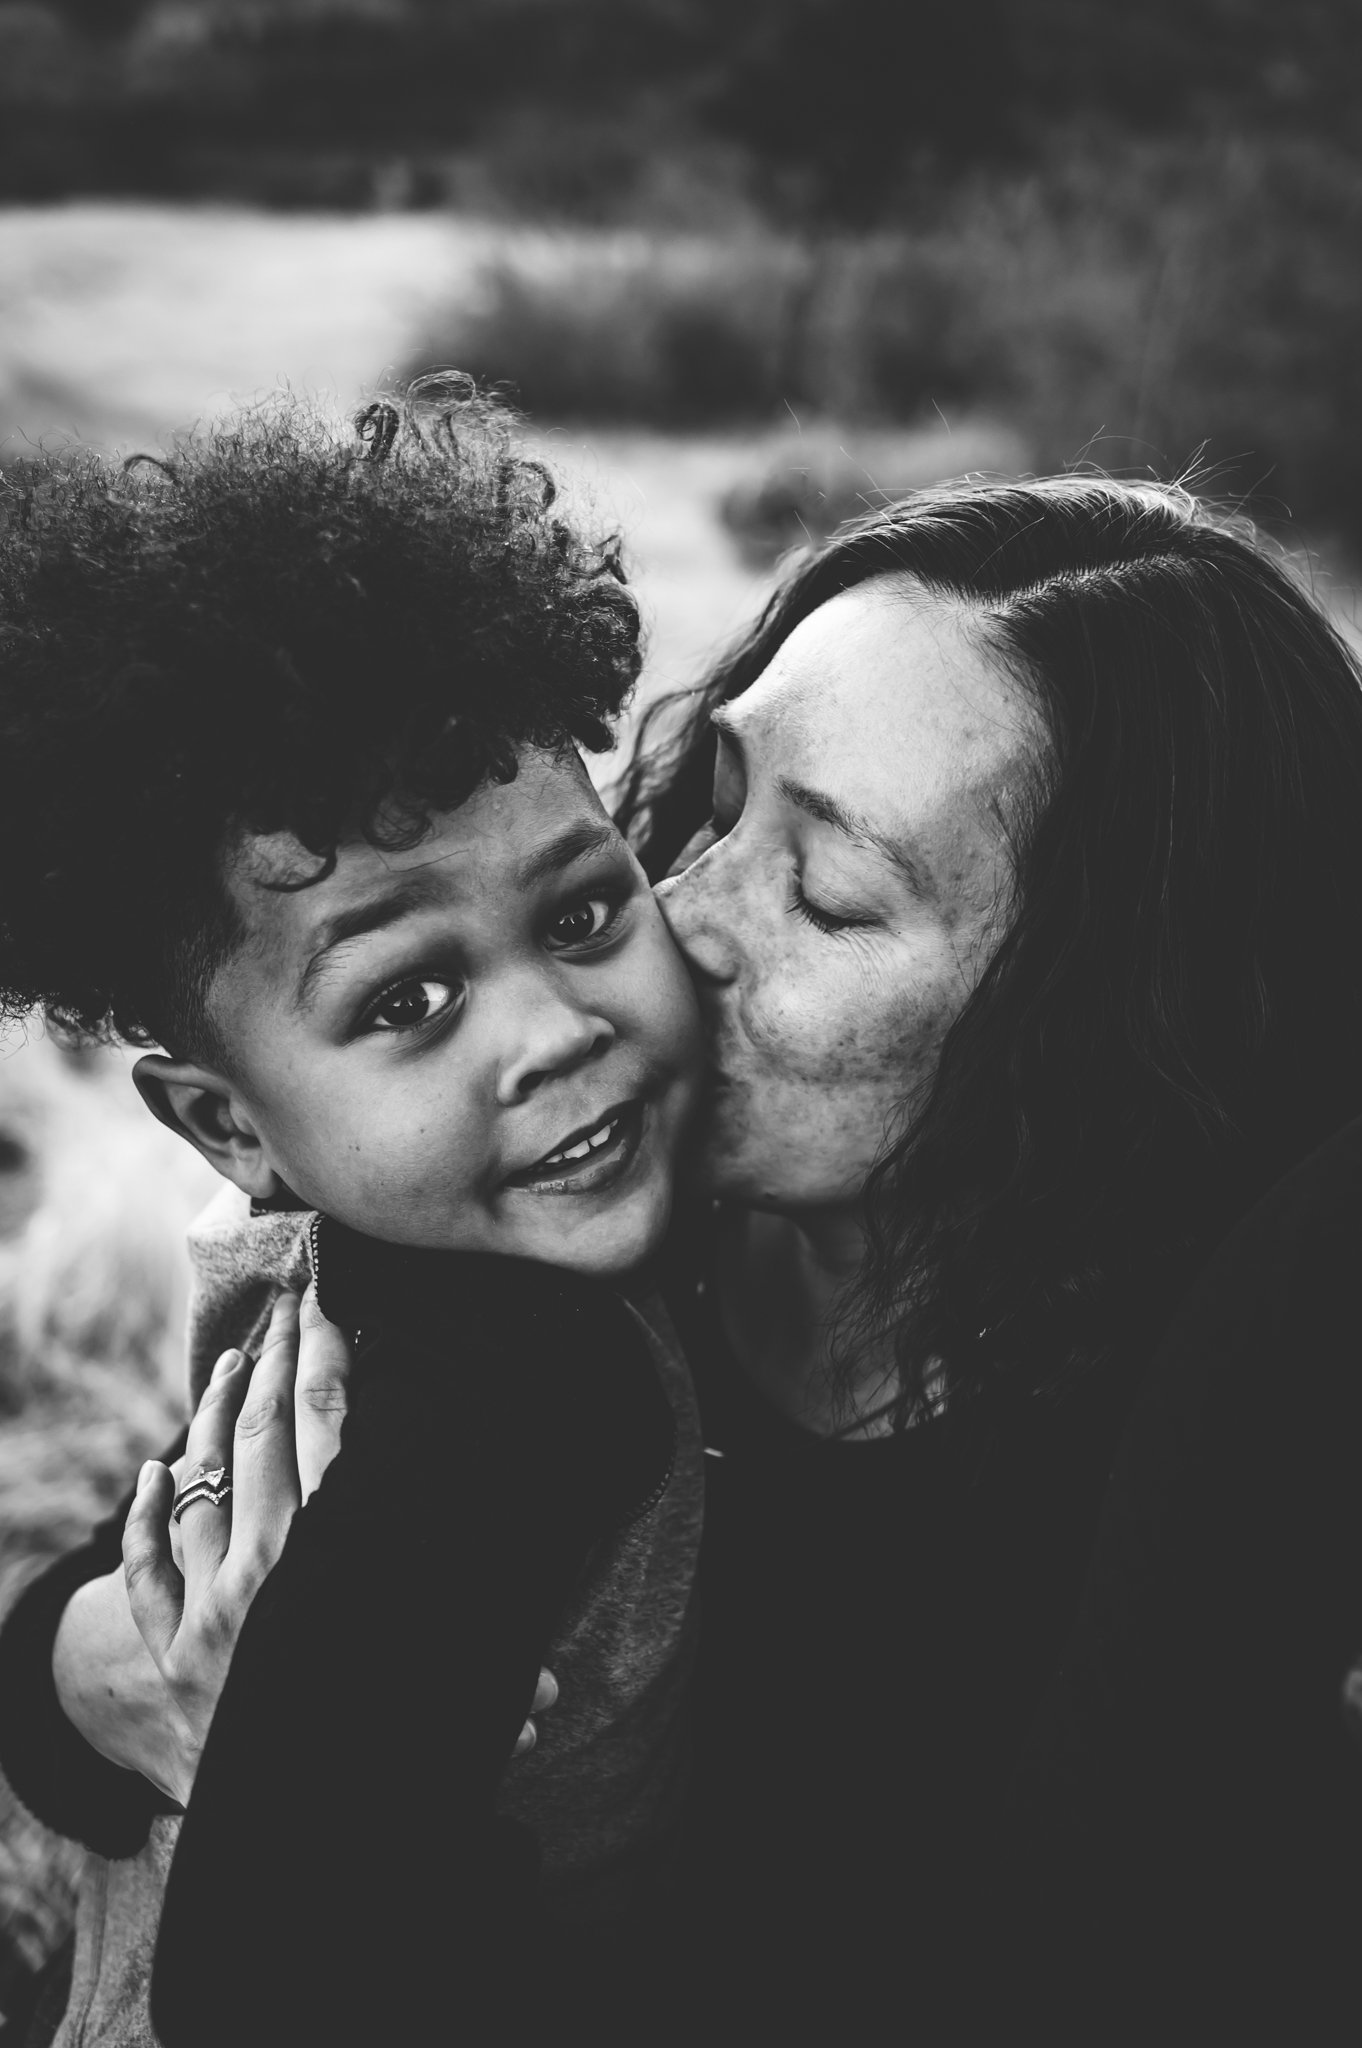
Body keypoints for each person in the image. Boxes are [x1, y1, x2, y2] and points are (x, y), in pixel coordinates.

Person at [11, 474, 1362, 2037]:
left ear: (1107, 1024)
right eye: (717, 801)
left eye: (832, 899)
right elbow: (142, 1654)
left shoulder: (1193, 1459)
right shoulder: (554, 1223)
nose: (676, 914)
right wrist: (100, 1662)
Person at [0, 384, 705, 2047]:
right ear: (230, 1126)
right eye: (409, 1002)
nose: (555, 1030)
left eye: (590, 908)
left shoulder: (403, 1279)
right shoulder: (522, 1391)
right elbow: (289, 1967)